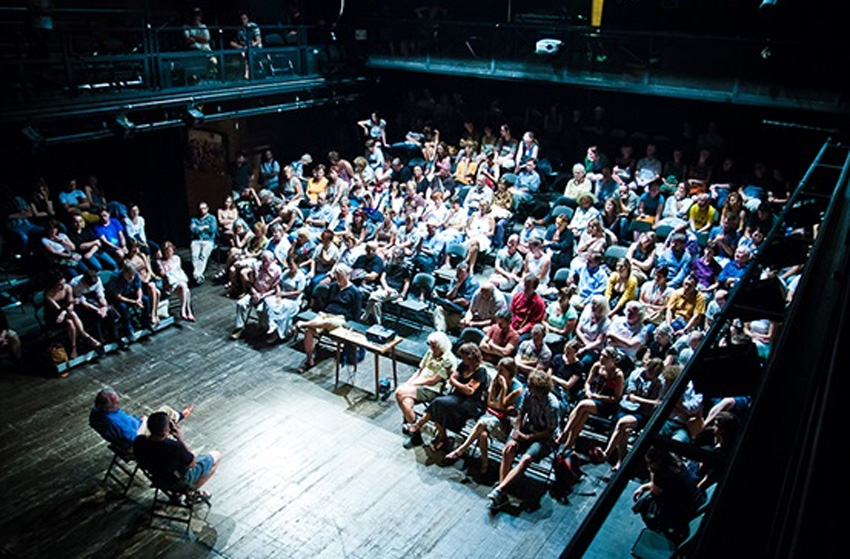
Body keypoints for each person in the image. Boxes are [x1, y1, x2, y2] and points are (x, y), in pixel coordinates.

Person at [487, 369, 560, 510]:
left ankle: (500, 490)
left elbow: (550, 431)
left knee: (526, 459)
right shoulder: (529, 394)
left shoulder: (552, 405)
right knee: (509, 449)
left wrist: (529, 437)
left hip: (544, 438)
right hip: (527, 429)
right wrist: (517, 433)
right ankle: (502, 490)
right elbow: (521, 414)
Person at [403, 343, 490, 452]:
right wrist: (460, 385)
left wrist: (456, 383)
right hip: (456, 397)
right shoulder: (464, 365)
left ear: (470, 357)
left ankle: (420, 426)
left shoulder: (481, 372)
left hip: (470, 403)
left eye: (464, 357)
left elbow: (469, 392)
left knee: (438, 403)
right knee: (438, 409)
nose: (462, 359)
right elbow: (452, 379)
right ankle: (442, 438)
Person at [445, 357, 524, 475]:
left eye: (502, 371)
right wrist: (500, 405)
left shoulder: (517, 389)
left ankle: (461, 450)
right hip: (491, 415)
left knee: (482, 424)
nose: (499, 373)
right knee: (482, 434)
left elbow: (501, 406)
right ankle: (485, 463)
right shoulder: (496, 380)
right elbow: (490, 403)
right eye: (498, 370)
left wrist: (504, 389)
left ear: (510, 372)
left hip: (505, 423)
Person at [591, 356, 665, 471]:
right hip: (627, 407)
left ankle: (606, 454)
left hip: (642, 413)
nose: (651, 375)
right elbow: (632, 397)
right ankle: (621, 461)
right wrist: (650, 401)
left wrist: (648, 401)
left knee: (622, 423)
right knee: (624, 431)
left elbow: (657, 403)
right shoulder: (636, 374)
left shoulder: (660, 383)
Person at [133, 411, 221, 501]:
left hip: (157, 479)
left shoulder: (139, 441)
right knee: (216, 456)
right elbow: (192, 464)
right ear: (165, 430)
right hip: (178, 481)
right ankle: (191, 492)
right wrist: (179, 439)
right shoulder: (174, 447)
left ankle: (179, 493)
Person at [295, 263, 362, 372]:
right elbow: (327, 303)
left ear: (347, 275)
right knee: (309, 331)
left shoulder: (355, 292)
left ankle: (303, 324)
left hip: (341, 318)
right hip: (326, 314)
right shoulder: (334, 286)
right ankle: (309, 360)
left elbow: (356, 313)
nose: (338, 278)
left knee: (326, 322)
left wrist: (350, 328)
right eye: (337, 275)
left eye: (340, 276)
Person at [632, 446, 706, 543]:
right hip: (692, 501)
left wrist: (651, 472)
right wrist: (644, 486)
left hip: (682, 509)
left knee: (645, 503)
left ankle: (658, 528)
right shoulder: (676, 463)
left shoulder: (660, 475)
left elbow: (655, 493)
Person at [556, 347, 625, 451]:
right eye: (601, 355)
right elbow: (588, 382)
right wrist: (588, 390)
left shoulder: (618, 375)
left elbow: (616, 398)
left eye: (605, 357)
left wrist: (598, 397)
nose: (601, 358)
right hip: (591, 397)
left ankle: (564, 433)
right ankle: (569, 443)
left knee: (583, 406)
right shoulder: (597, 366)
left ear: (612, 360)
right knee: (582, 413)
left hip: (606, 403)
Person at [89, 388, 192, 450]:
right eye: (115, 403)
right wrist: (144, 422)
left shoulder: (96, 412)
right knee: (163, 415)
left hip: (134, 428)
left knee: (163, 413)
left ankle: (177, 417)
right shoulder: (113, 422)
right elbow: (135, 438)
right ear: (107, 406)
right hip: (137, 440)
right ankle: (178, 419)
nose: (118, 404)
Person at [395, 331, 457, 426]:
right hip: (418, 384)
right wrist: (409, 383)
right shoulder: (430, 352)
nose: (432, 349)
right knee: (406, 402)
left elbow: (432, 381)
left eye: (434, 347)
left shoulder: (448, 360)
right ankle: (413, 425)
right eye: (431, 346)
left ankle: (411, 423)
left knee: (399, 393)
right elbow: (420, 370)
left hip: (431, 389)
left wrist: (413, 384)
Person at [44, 270, 101, 359]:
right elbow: (57, 309)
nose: (62, 286)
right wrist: (64, 311)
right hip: (55, 316)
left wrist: (65, 311)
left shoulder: (67, 288)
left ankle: (74, 347)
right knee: (71, 318)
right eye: (59, 285)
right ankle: (85, 337)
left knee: (71, 320)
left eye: (63, 283)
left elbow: (70, 305)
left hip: (67, 313)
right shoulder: (49, 295)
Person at [231, 251, 281, 340]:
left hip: (267, 295)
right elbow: (250, 283)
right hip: (254, 292)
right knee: (240, 304)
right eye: (263, 261)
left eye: (267, 261)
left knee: (260, 310)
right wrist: (254, 293)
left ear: (272, 261)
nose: (264, 263)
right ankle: (240, 327)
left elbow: (275, 289)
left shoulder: (277, 270)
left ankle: (263, 328)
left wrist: (262, 296)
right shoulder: (256, 266)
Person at [263, 255, 307, 343]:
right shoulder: (286, 272)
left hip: (292, 300)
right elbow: (278, 284)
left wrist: (284, 294)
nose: (290, 267)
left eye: (292, 265)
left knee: (283, 307)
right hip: (282, 296)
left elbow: (298, 292)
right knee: (268, 301)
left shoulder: (301, 277)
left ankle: (278, 332)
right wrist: (279, 293)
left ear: (297, 264)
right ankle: (272, 325)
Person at [107, 261, 152, 340]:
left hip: (128, 293)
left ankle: (146, 322)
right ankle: (128, 330)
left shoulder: (135, 275)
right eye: (129, 275)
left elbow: (139, 288)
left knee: (146, 299)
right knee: (122, 307)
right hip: (117, 298)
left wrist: (139, 299)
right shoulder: (115, 277)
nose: (131, 277)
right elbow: (118, 296)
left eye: (133, 275)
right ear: (124, 272)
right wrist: (133, 302)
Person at [433, 262, 480, 333]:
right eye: (458, 273)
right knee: (438, 309)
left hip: (462, 312)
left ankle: (441, 331)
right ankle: (440, 332)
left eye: (462, 274)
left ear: (467, 273)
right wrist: (456, 286)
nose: (459, 276)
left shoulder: (473, 283)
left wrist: (453, 301)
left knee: (444, 320)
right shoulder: (455, 279)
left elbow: (465, 302)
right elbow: (449, 296)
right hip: (451, 307)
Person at [158, 241, 195, 322]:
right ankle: (187, 312)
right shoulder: (161, 262)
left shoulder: (176, 258)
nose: (169, 253)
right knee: (185, 288)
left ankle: (186, 312)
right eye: (167, 251)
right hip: (171, 285)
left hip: (180, 281)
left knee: (186, 289)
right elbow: (166, 276)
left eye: (170, 251)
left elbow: (178, 271)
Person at [189, 201, 217, 285]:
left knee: (203, 256)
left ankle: (196, 274)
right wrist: (204, 227)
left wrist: (199, 228)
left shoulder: (212, 218)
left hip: (208, 240)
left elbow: (212, 230)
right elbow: (193, 230)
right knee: (195, 256)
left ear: (207, 209)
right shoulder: (194, 219)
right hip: (196, 240)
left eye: (204, 208)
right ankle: (199, 275)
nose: (202, 210)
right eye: (200, 209)